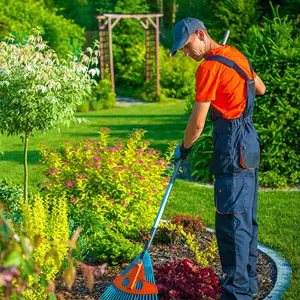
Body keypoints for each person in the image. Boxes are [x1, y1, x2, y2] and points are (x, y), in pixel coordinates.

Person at [171, 18, 266, 300]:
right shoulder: (235, 55)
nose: (187, 55)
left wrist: (184, 148)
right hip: (249, 139)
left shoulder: (209, 68)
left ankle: (236, 293)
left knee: (231, 222)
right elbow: (260, 88)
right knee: (245, 217)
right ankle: (248, 286)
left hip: (231, 142)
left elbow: (198, 123)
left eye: (188, 47)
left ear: (201, 34)